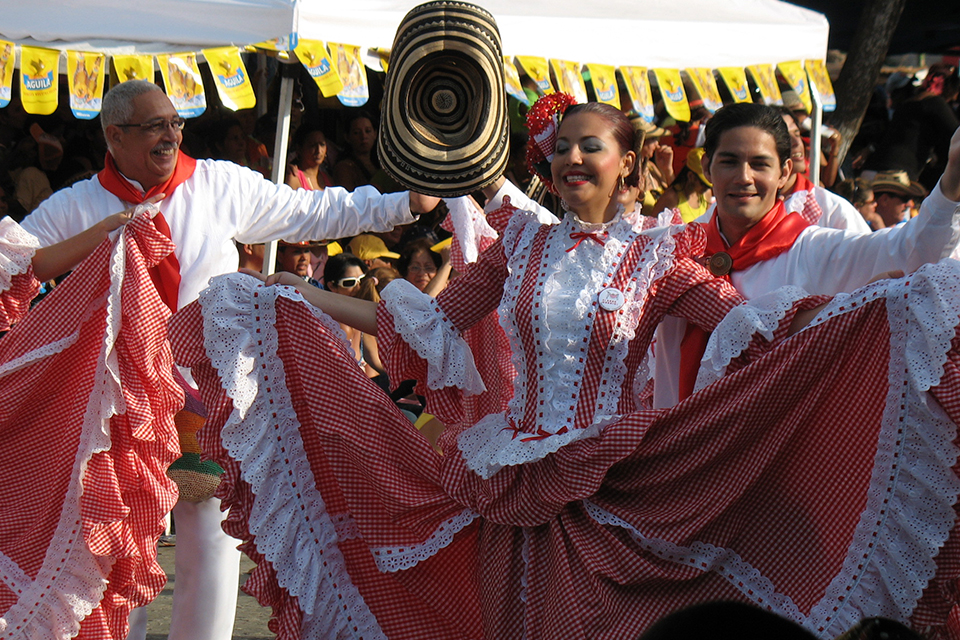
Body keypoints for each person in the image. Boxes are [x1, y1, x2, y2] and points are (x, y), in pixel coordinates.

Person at [170, 95, 960, 638]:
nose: (574, 156)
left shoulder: (659, 257)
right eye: (564, 146)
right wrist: (302, 294)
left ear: (628, 164)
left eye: (594, 145)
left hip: (613, 480)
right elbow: (424, 325)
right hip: (511, 478)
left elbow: (753, 334)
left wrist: (870, 321)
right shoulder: (520, 244)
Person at [12, 79, 438, 640]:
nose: (170, 135)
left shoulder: (215, 183)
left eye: (175, 123)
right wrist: (103, 235)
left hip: (206, 390)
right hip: (116, 403)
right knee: (119, 539)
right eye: (154, 126)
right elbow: (18, 257)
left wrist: (404, 203)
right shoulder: (81, 203)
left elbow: (311, 213)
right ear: (113, 136)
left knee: (210, 539)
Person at [652, 103, 960, 408]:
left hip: (770, 450)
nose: (743, 177)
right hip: (674, 446)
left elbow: (911, 250)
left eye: (760, 164)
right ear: (707, 167)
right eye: (729, 161)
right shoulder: (672, 251)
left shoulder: (814, 250)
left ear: (784, 172)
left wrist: (950, 186)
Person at [284, 123, 333, 191]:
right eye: (313, 145)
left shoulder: (328, 179)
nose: (319, 150)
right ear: (299, 149)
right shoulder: (293, 178)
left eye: (322, 144)